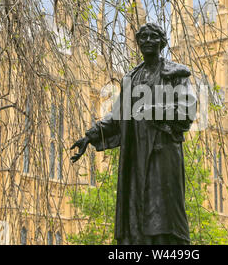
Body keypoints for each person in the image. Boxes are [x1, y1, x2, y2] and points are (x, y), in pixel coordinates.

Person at [70, 23, 197, 245]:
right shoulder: (132, 77)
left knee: (164, 217)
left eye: (153, 37)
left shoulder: (176, 73)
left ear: (162, 42)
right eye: (143, 37)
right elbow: (118, 115)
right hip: (136, 155)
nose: (147, 41)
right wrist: (91, 135)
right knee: (136, 217)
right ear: (138, 43)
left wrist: (154, 110)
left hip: (162, 154)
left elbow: (187, 112)